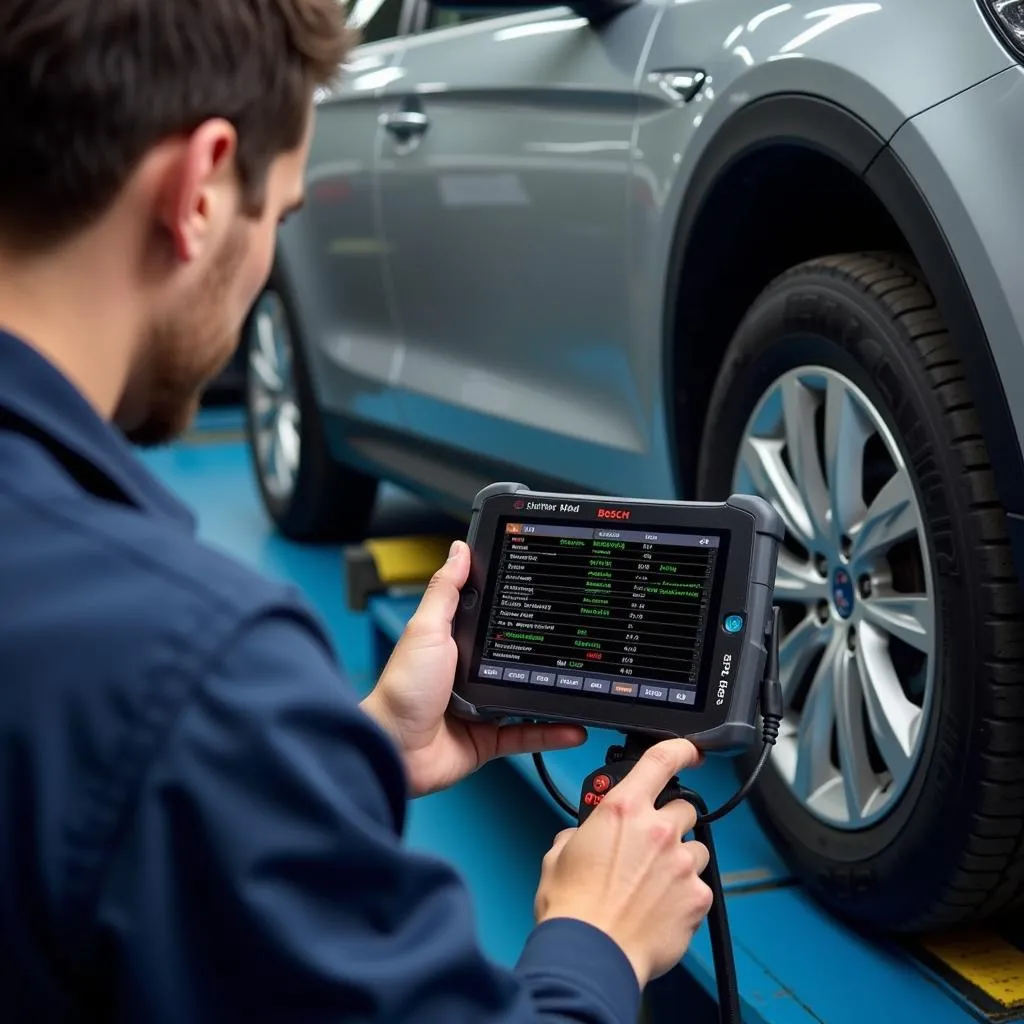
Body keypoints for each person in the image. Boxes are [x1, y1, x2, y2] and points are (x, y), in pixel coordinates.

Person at [0, 1, 714, 1021]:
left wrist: (358, 745)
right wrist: (593, 939)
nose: (263, 271)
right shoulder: (188, 665)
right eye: (280, 216)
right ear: (201, 188)